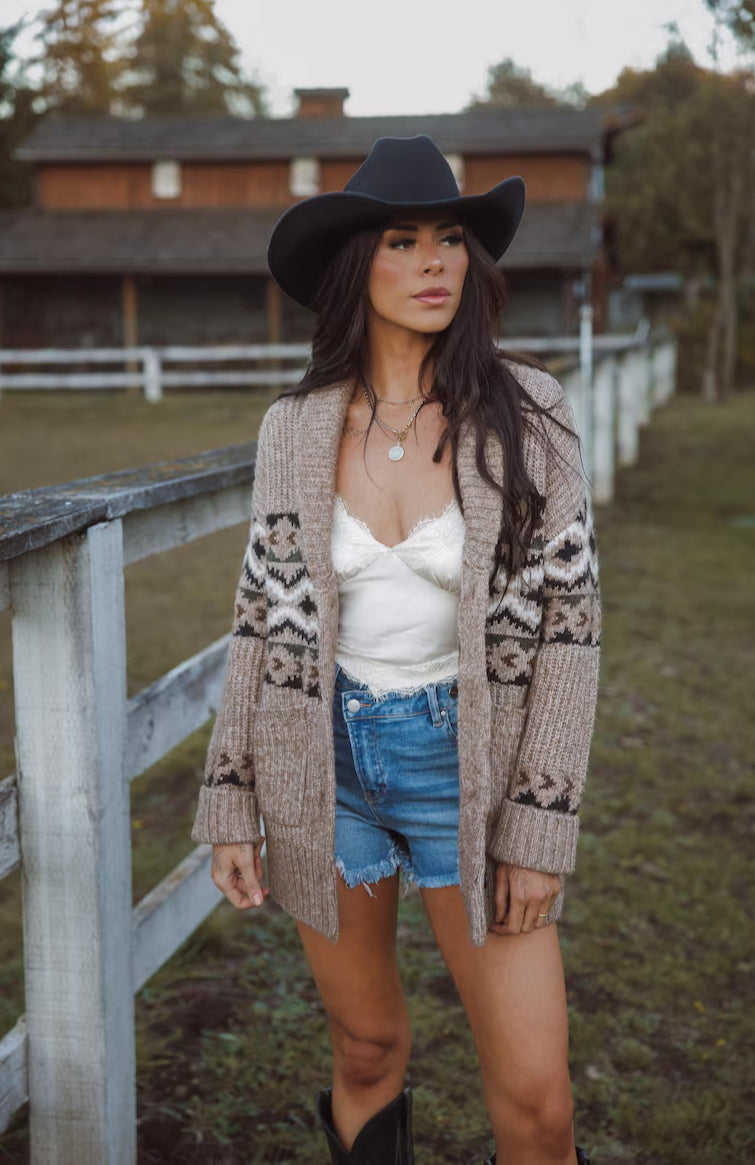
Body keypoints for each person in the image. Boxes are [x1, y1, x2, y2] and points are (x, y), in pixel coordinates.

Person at [190, 135, 600, 1165]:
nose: (433, 263)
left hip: (470, 765)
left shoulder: (529, 412)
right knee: (366, 1047)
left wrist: (540, 827)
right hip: (323, 766)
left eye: (450, 240)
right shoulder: (291, 429)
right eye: (402, 241)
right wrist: (229, 795)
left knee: (536, 1099)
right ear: (352, 266)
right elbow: (260, 617)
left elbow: (571, 630)